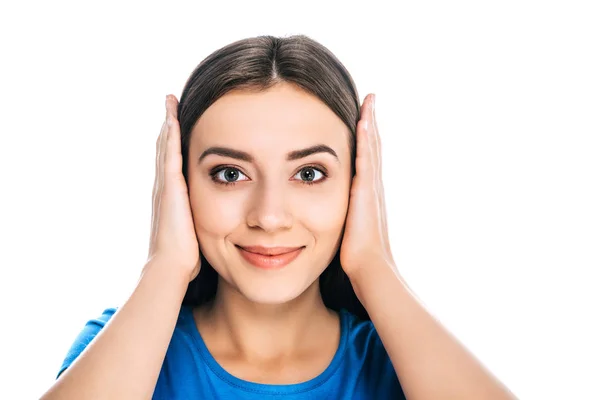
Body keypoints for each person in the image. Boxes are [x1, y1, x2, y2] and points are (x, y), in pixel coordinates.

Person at [41, 35, 516, 399]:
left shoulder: (402, 361)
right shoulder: (124, 345)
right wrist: (164, 267)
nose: (269, 216)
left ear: (358, 184)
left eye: (309, 173)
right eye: (230, 173)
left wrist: (375, 265)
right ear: (180, 184)